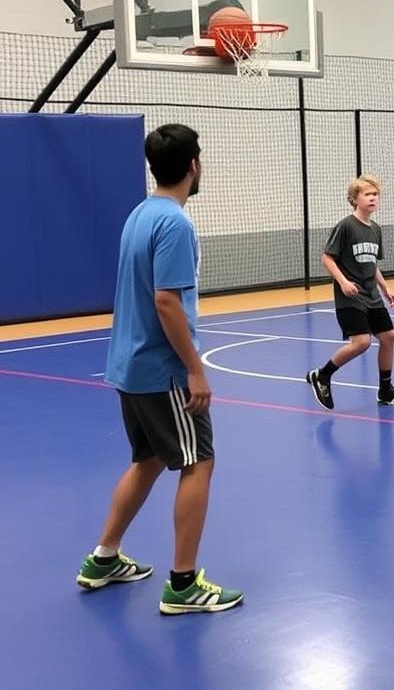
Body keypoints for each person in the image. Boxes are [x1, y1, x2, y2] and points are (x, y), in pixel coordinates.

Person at [76, 124, 243, 615]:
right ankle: (184, 584)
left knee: (148, 459)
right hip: (163, 370)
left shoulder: (139, 214)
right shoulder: (175, 224)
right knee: (198, 461)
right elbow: (167, 301)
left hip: (129, 366)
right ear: (194, 165)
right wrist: (195, 370)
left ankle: (104, 557)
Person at [306, 174, 394, 410]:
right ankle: (322, 375)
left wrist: (385, 287)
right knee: (362, 342)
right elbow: (327, 258)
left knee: (389, 337)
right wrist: (344, 282)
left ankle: (385, 390)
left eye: (376, 194)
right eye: (368, 194)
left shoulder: (375, 229)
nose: (373, 198)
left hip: (372, 296)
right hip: (351, 297)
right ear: (355, 198)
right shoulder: (346, 226)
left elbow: (371, 263)